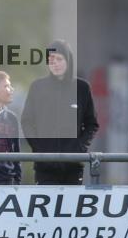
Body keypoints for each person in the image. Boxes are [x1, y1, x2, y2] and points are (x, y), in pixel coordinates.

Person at [21, 39, 99, 185]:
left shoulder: (82, 88)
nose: (54, 63)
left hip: (73, 166)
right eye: (51, 59)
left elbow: (91, 124)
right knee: (46, 207)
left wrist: (79, 148)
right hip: (44, 166)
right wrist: (39, 149)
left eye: (59, 59)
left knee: (72, 207)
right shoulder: (37, 87)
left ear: (68, 61)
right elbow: (26, 121)